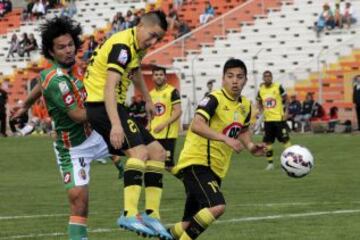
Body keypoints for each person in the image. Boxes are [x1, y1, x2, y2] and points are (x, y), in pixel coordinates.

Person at [11, 16, 116, 240]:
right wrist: (111, 107)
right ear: (51, 52)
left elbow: (39, 86)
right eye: (61, 47)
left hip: (95, 135)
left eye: (70, 45)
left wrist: (25, 105)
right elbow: (78, 116)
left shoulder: (77, 69)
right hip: (73, 148)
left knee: (143, 149)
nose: (68, 50)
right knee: (80, 203)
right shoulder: (57, 81)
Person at [84, 10, 172, 239]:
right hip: (102, 106)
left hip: (113, 106)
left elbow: (135, 74)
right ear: (141, 25)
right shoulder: (122, 47)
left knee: (158, 152)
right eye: (152, 36)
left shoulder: (135, 46)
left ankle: (152, 214)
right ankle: (129, 213)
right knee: (140, 153)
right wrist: (115, 124)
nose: (153, 42)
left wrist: (148, 99)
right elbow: (109, 87)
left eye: (158, 40)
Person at [169, 58, 266, 240]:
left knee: (188, 224)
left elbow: (243, 130)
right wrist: (225, 139)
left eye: (239, 77)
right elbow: (197, 124)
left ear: (246, 80)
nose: (235, 80)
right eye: (230, 76)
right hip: (196, 162)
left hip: (216, 168)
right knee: (217, 206)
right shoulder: (214, 99)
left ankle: (163, 236)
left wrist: (251, 146)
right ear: (223, 79)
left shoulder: (245, 105)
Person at [256, 70, 291, 170]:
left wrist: (287, 111)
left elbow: (286, 98)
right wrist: (261, 110)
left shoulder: (278, 87)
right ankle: (270, 164)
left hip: (279, 119)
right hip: (268, 121)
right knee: (268, 143)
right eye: (265, 76)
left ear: (271, 78)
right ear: (263, 78)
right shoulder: (261, 90)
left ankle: (290, 161)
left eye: (269, 76)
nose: (267, 78)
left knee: (285, 141)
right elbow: (259, 101)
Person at [149, 65, 182, 172]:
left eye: (161, 75)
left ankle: (189, 182)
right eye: (156, 75)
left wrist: (163, 124)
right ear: (152, 77)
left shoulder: (172, 92)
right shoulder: (150, 94)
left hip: (168, 134)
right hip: (154, 133)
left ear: (165, 77)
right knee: (152, 163)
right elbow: (151, 114)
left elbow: (178, 111)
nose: (158, 77)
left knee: (168, 166)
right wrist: (148, 125)